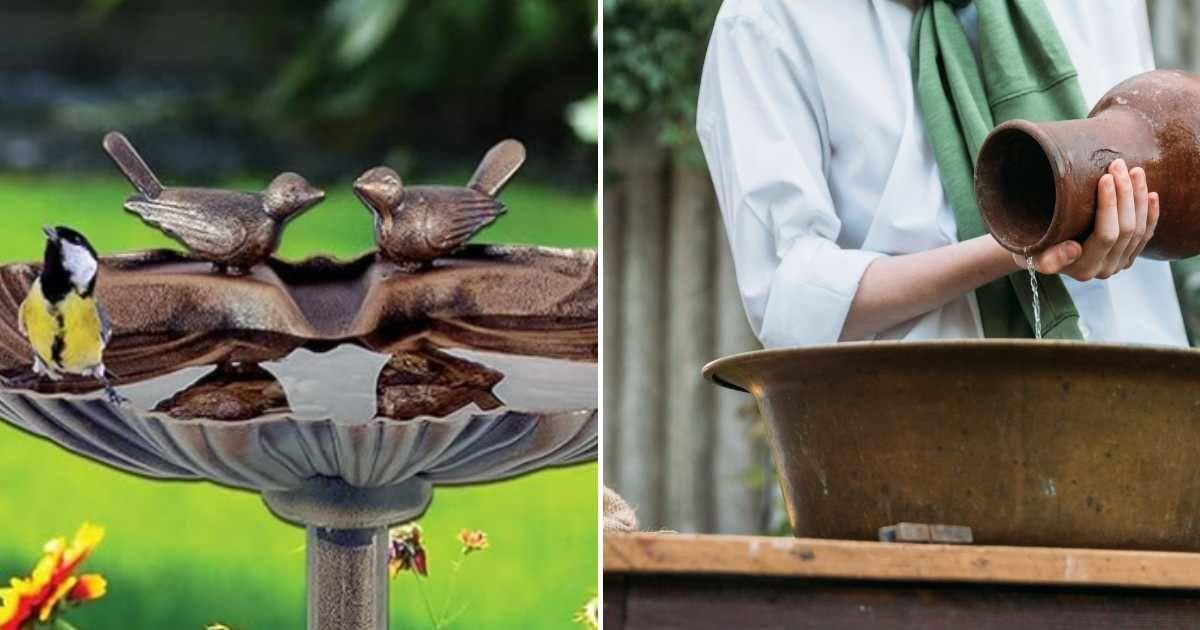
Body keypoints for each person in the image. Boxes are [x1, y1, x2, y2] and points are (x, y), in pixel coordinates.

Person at [697, 0, 1186, 348]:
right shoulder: (767, 21)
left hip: (1135, 407)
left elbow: (1169, 153)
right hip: (922, 436)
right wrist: (1021, 243)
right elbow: (791, 299)